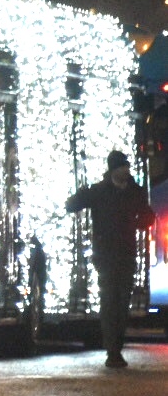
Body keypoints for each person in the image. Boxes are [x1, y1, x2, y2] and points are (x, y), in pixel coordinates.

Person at [65, 150, 153, 369]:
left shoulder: (135, 191)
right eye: (122, 167)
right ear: (114, 169)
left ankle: (116, 348)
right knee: (109, 301)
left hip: (126, 254)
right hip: (105, 255)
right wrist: (73, 201)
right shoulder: (100, 191)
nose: (126, 170)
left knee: (122, 303)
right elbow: (74, 203)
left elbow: (147, 216)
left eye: (127, 167)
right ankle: (112, 351)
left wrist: (140, 221)